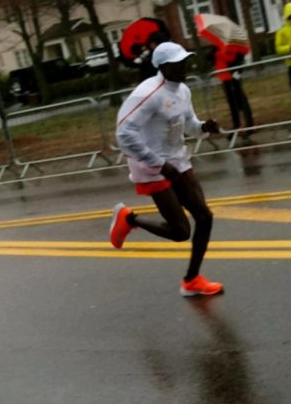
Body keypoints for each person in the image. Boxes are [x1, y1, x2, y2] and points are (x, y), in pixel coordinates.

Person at [109, 41, 224, 297]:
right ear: (163, 66)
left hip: (176, 159)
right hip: (150, 165)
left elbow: (189, 124)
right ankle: (129, 219)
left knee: (204, 216)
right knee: (181, 231)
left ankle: (192, 280)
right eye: (177, 63)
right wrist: (158, 163)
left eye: (185, 60)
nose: (184, 66)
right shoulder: (148, 94)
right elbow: (124, 134)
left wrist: (204, 126)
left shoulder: (182, 90)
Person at [212, 43, 254, 133]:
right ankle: (238, 125)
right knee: (233, 102)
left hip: (231, 76)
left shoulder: (230, 43)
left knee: (240, 100)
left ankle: (248, 124)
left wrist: (218, 54)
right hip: (225, 77)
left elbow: (232, 58)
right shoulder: (218, 45)